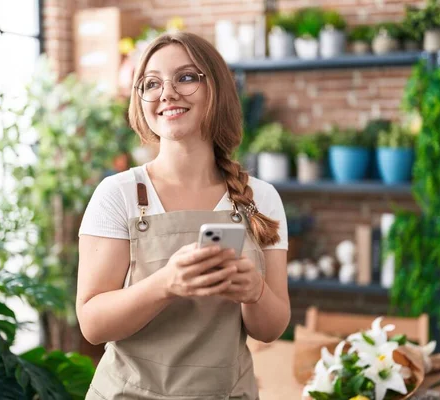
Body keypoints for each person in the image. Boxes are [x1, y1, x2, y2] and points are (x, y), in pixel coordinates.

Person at [76, 31, 291, 399]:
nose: (167, 93)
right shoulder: (119, 195)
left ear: (217, 89)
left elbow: (271, 329)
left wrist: (254, 291)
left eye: (186, 77)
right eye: (151, 83)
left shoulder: (261, 199)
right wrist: (166, 284)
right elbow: (93, 324)